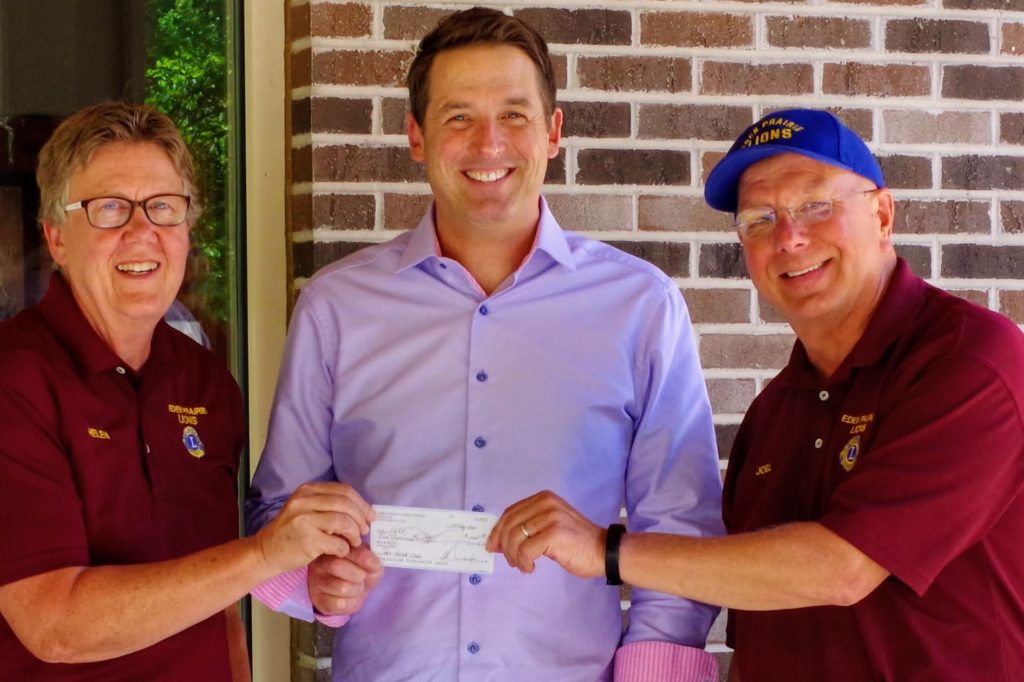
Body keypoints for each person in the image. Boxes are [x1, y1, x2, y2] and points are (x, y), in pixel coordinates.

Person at [245, 7, 724, 681]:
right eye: (458, 116)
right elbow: (280, 509)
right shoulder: (337, 307)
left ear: (554, 132)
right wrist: (313, 582)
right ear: (416, 136)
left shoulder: (641, 308)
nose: (488, 143)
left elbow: (680, 529)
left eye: (515, 115)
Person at [488, 108, 1024, 681]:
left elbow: (842, 568)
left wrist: (607, 552)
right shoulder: (774, 412)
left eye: (816, 205)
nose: (789, 237)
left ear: (882, 213)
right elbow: (757, 625)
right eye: (759, 219)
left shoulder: (969, 360)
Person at [0, 102, 372, 681]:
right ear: (56, 238)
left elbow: (220, 595)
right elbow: (54, 625)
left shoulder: (206, 383)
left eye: (164, 208)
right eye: (109, 208)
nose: (142, 231)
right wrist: (266, 553)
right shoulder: (14, 380)